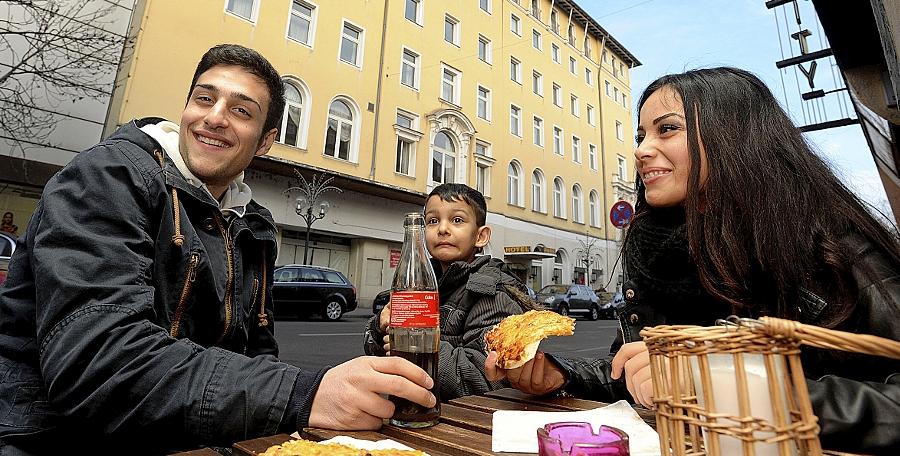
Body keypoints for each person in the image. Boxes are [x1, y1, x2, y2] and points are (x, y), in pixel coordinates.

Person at [0, 44, 435, 454]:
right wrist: (304, 393)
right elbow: (96, 363)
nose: (215, 118)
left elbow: (256, 353)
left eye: (241, 110)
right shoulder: (108, 177)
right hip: (52, 440)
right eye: (204, 100)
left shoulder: (254, 224)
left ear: (265, 140)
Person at [485, 67, 900, 454]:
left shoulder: (832, 243)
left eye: (667, 130)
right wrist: (562, 375)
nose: (641, 150)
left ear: (736, 139)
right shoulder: (658, 255)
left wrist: (733, 388)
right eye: (641, 134)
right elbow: (638, 375)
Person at [364, 183, 538, 400]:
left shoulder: (493, 292)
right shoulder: (421, 283)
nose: (442, 229)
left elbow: (486, 378)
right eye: (433, 221)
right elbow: (383, 359)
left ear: (481, 236)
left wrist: (415, 344)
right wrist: (380, 327)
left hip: (464, 423)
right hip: (412, 411)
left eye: (457, 220)